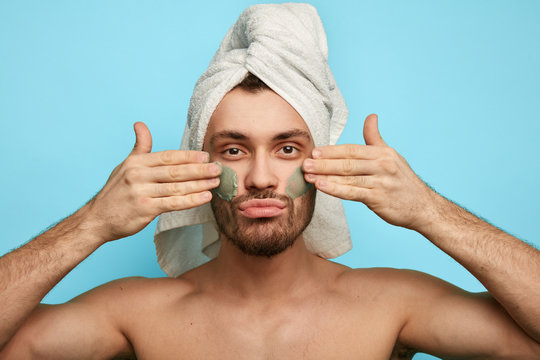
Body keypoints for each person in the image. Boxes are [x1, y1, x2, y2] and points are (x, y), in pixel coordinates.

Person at [1, 5, 540, 360]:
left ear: (321, 160)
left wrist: (430, 211)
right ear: (198, 162)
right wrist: (90, 224)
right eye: (233, 150)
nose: (261, 178)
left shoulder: (392, 304)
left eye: (287, 149)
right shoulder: (136, 314)